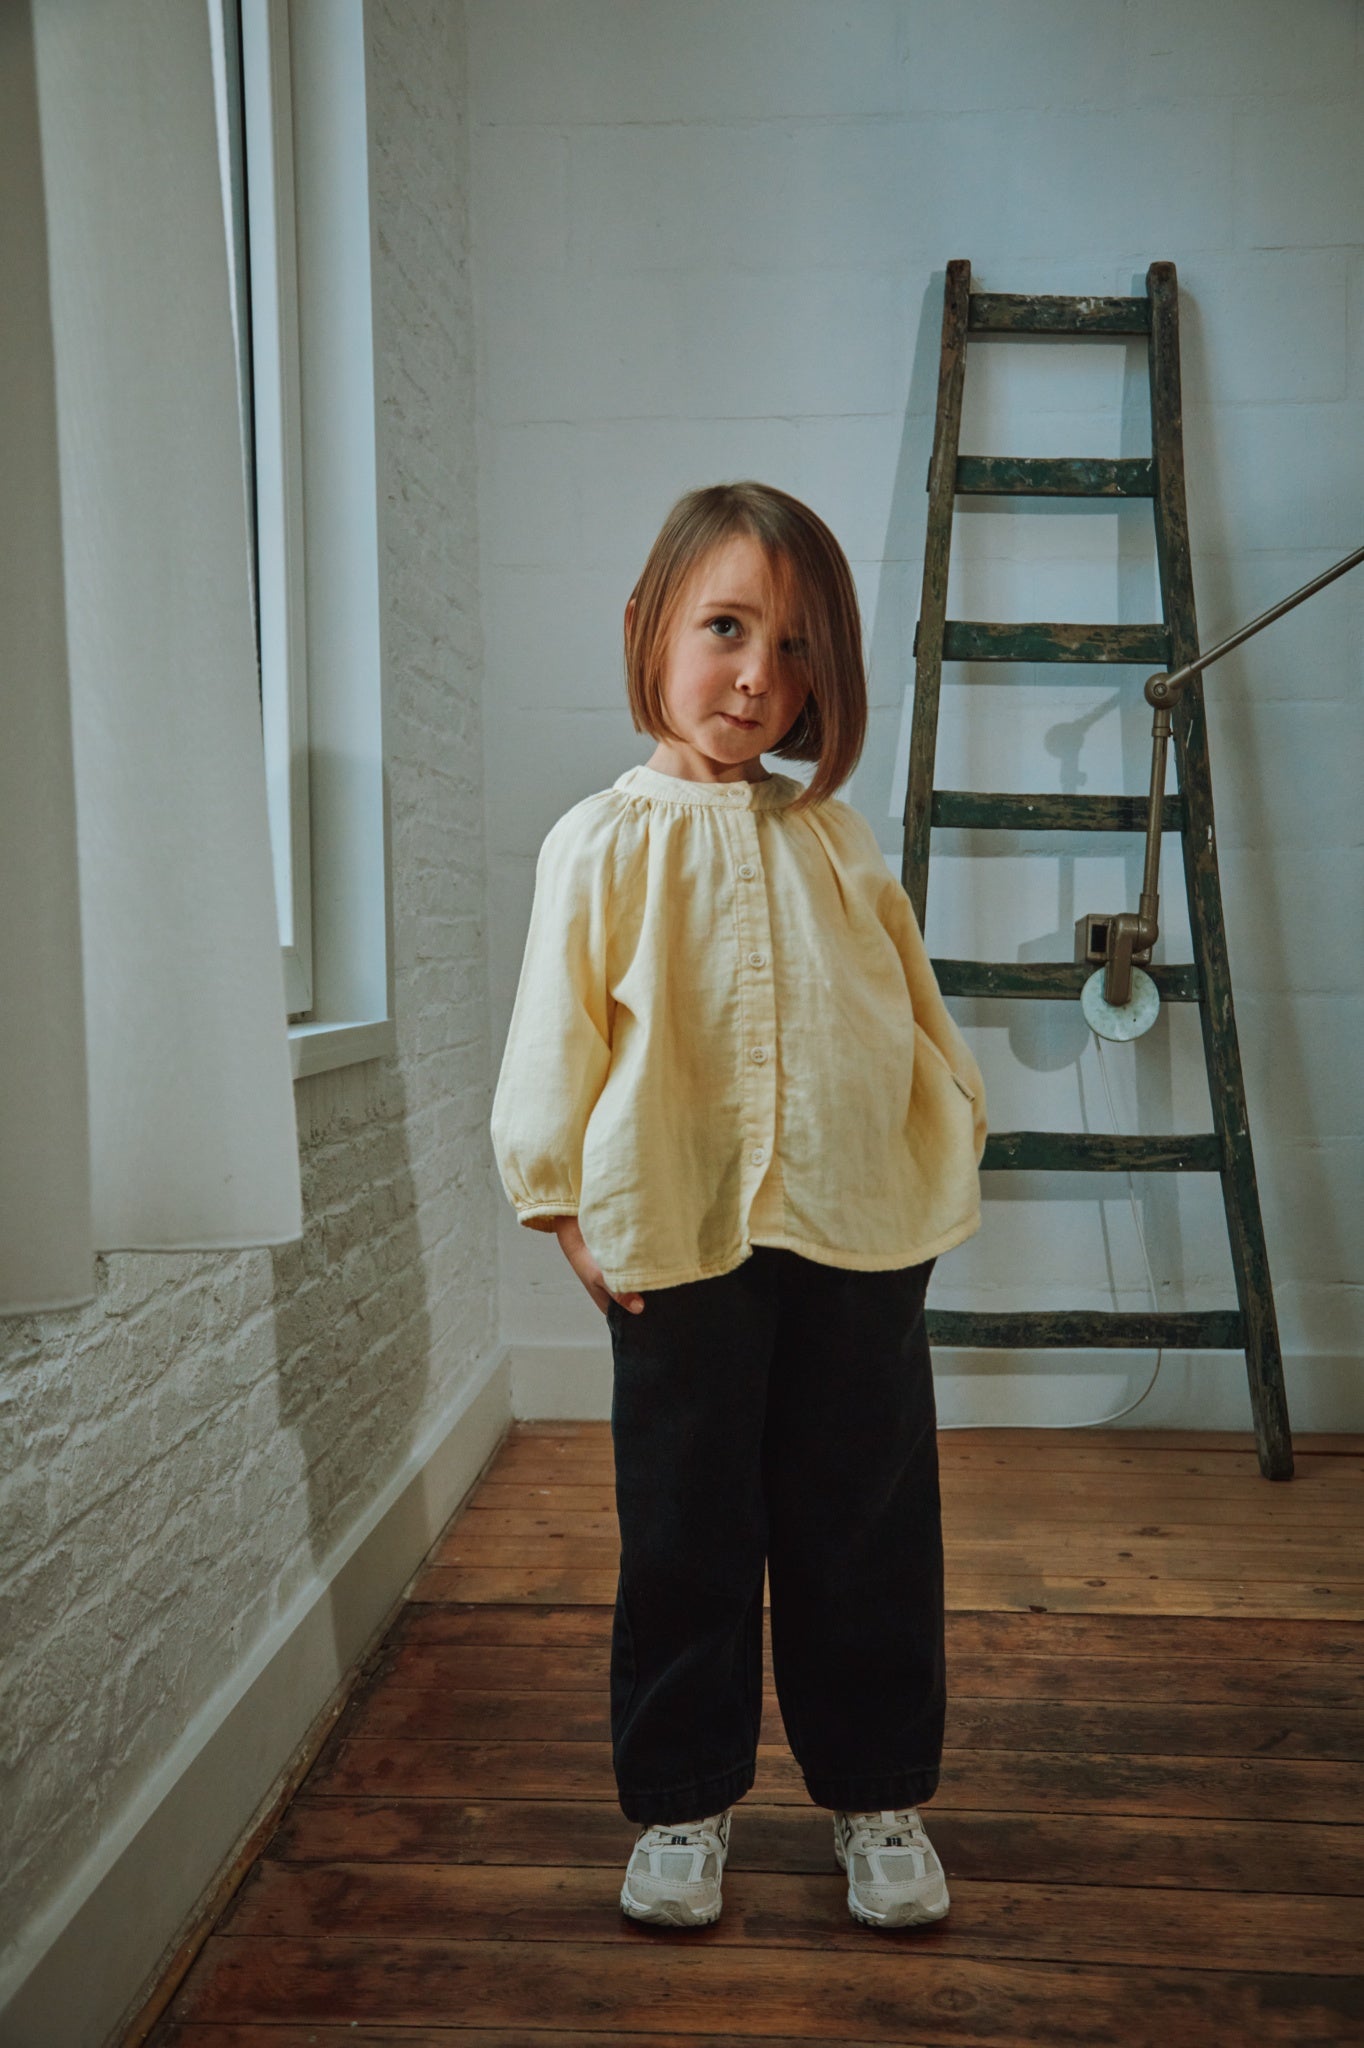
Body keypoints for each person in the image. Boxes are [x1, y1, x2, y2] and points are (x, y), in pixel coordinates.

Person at [490, 480, 988, 1932]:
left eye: (796, 644)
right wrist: (566, 1215)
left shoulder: (836, 840)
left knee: (867, 1527)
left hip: (857, 1231)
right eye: (725, 628)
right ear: (646, 628)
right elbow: (554, 1041)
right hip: (678, 1236)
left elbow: (910, 1012)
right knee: (685, 1533)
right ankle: (682, 1801)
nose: (760, 673)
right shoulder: (600, 841)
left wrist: (944, 1138)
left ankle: (877, 1795)